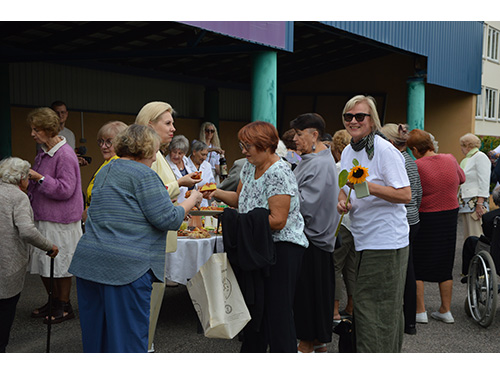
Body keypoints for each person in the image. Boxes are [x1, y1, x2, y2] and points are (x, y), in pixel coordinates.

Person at [69, 125, 203, 352]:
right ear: (150, 150)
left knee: (96, 342)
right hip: (125, 269)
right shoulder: (144, 175)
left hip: (89, 264)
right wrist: (192, 200)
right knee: (127, 343)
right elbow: (168, 220)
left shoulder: (105, 170)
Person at [204, 121, 308, 353]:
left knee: (278, 311)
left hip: (283, 248)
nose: (243, 151)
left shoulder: (279, 172)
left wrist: (240, 223)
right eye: (242, 145)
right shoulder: (249, 167)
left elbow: (278, 220)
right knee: (255, 310)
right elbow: (241, 200)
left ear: (264, 145)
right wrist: (215, 193)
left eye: (248, 146)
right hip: (258, 245)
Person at [337, 95, 411, 352]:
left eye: (360, 116)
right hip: (362, 237)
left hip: (386, 240)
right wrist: (342, 200)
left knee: (374, 307)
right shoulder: (349, 150)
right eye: (349, 116)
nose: (353, 121)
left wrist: (369, 187)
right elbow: (345, 187)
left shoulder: (384, 150)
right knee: (373, 306)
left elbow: (405, 195)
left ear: (372, 120)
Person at [135, 101, 201, 352]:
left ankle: (146, 341)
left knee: (155, 293)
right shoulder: (148, 156)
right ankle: (145, 344)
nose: (173, 128)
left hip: (159, 235)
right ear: (150, 125)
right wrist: (188, 199)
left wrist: (180, 183)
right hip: (152, 235)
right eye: (168, 123)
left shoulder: (158, 154)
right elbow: (153, 193)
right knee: (150, 293)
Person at [27, 107, 83, 324]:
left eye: (37, 130)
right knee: (43, 262)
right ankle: (53, 302)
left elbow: (65, 189)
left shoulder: (65, 154)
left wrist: (39, 178)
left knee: (60, 264)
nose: (32, 134)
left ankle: (64, 305)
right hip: (44, 216)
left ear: (49, 130)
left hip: (61, 220)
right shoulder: (43, 151)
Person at [290, 113, 339, 353]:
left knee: (309, 297)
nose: (295, 139)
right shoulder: (315, 158)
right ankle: (317, 343)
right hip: (317, 238)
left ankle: (308, 343)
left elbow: (305, 206)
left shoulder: (318, 162)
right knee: (317, 295)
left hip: (312, 239)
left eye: (299, 134)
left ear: (314, 134)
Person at [0, 157, 59, 353]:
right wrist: (49, 246)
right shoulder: (18, 197)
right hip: (6, 266)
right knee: (4, 314)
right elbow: (26, 231)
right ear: (22, 179)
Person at [407, 128, 465, 325]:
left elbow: (413, 191)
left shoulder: (417, 165)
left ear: (415, 149)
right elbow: (462, 178)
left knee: (418, 263)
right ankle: (445, 310)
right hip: (449, 216)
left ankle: (420, 311)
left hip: (427, 216)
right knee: (445, 263)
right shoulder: (450, 158)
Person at [381, 123, 422, 335]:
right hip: (413, 218)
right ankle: (410, 322)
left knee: (402, 272)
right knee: (409, 270)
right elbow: (418, 192)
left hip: (403, 220)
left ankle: (404, 321)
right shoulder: (410, 160)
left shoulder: (396, 160)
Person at [331, 129, 356, 323]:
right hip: (356, 223)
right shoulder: (358, 167)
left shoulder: (339, 167)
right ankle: (352, 306)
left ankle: (334, 310)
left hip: (343, 221)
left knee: (335, 266)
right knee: (352, 267)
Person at [84, 121, 128, 219]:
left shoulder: (117, 165)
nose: (103, 146)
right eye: (101, 141)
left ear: (122, 142)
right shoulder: (107, 163)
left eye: (109, 142)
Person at [461, 185, 500, 278]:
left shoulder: (489, 217)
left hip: (496, 253)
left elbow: (487, 235)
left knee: (470, 241)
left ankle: (469, 274)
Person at [458, 133, 491, 239]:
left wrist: (480, 203)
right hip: (465, 203)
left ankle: (478, 255)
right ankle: (470, 255)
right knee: (468, 236)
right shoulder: (467, 159)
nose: (461, 149)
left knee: (476, 235)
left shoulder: (480, 157)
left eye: (462, 146)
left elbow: (484, 181)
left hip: (475, 203)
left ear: (467, 146)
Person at [50, 100, 88, 167]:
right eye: (57, 113)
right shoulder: (46, 133)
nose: (60, 115)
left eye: (62, 112)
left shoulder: (70, 134)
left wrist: (77, 160)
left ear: (67, 114)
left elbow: (70, 156)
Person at [187, 140, 215, 207]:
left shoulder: (207, 165)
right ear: (194, 152)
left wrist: (208, 189)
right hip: (188, 203)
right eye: (202, 154)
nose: (204, 158)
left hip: (203, 204)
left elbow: (212, 183)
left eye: (206, 155)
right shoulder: (185, 163)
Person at [166, 135, 193, 204]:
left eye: (180, 153)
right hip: (176, 203)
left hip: (190, 204)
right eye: (174, 152)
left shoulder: (186, 160)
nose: (176, 156)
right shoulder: (166, 164)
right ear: (170, 150)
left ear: (185, 153)